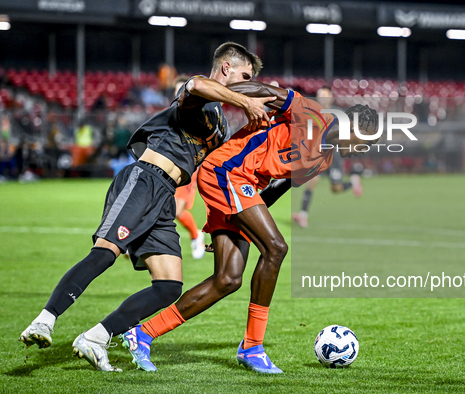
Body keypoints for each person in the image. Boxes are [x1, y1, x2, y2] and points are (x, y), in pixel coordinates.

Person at [19, 42, 276, 372]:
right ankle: (44, 320)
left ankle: (96, 337)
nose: (248, 83)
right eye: (244, 75)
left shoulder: (221, 124)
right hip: (144, 179)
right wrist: (246, 100)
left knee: (169, 285)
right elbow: (196, 86)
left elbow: (218, 176)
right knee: (105, 252)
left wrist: (220, 225)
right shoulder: (200, 93)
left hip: (166, 195)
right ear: (226, 69)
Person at [120, 84, 379, 373]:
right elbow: (261, 89)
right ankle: (252, 347)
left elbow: (277, 188)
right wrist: (220, 93)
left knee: (227, 280)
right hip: (227, 171)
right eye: (365, 141)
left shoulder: (323, 159)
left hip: (244, 190)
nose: (364, 150)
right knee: (277, 248)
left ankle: (142, 334)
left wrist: (243, 224)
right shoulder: (311, 114)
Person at [292, 86, 362, 228]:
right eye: (319, 95)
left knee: (335, 188)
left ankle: (353, 183)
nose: (322, 97)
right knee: (312, 181)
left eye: (325, 95)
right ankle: (303, 215)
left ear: (331, 97)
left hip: (333, 157)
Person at [171, 75, 205, 259]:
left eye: (182, 91)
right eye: (177, 91)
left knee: (176, 210)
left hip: (188, 167)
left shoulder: (197, 114)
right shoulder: (169, 113)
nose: (179, 95)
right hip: (168, 166)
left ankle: (195, 236)